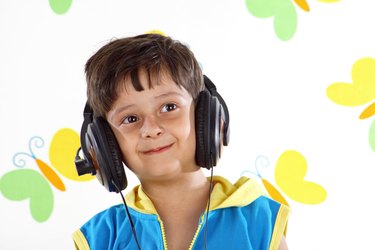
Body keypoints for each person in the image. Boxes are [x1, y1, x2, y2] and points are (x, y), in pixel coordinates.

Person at [72, 33, 290, 250]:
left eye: (169, 107)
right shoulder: (100, 238)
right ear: (102, 145)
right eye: (130, 119)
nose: (151, 129)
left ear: (208, 118)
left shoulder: (259, 223)